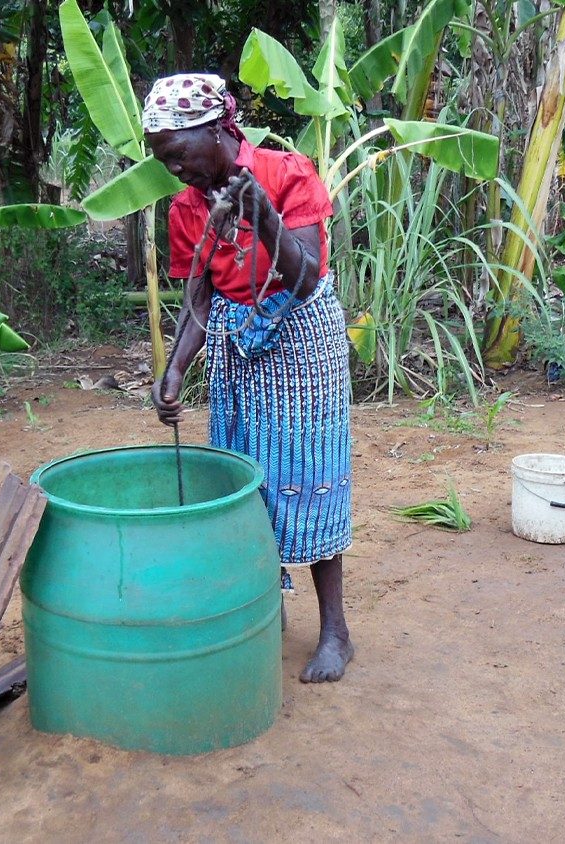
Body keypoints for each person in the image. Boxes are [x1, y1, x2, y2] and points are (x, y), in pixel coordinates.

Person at [143, 73, 354, 684]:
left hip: (300, 341)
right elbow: (199, 302)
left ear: (216, 130)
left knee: (310, 481)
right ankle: (266, 608)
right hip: (239, 351)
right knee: (248, 485)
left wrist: (263, 218)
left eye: (178, 154)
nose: (174, 170)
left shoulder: (288, 174)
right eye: (163, 161)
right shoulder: (186, 209)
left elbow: (305, 277)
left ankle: (336, 630)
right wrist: (175, 368)